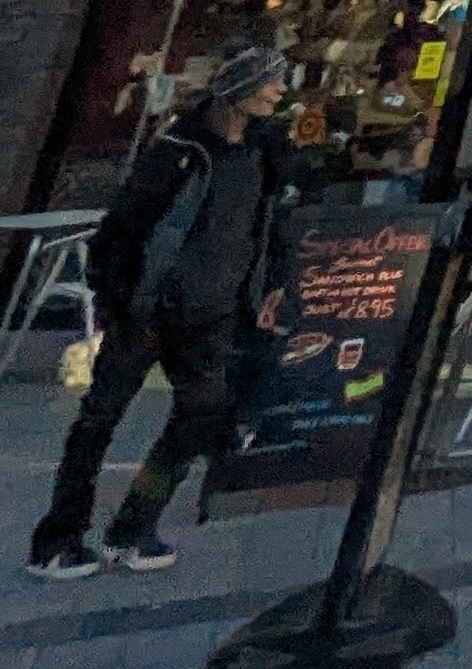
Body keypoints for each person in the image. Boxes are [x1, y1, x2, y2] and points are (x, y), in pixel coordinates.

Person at [27, 44, 293, 579]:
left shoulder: (263, 153)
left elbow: (265, 228)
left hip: (210, 315)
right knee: (99, 419)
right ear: (239, 90)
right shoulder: (178, 151)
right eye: (272, 82)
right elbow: (123, 229)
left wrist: (270, 287)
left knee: (199, 415)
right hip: (148, 313)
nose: (281, 91)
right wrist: (119, 300)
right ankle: (57, 540)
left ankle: (132, 527)